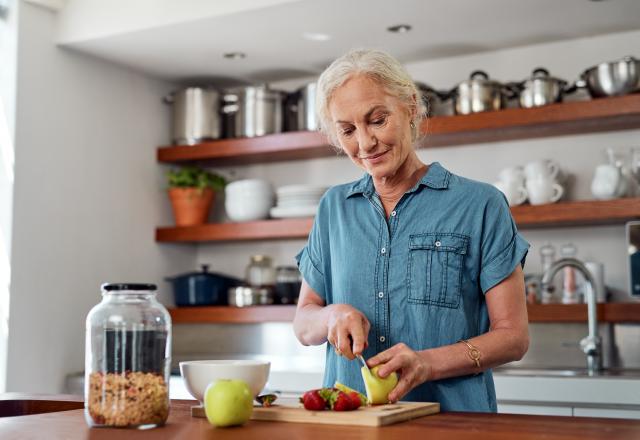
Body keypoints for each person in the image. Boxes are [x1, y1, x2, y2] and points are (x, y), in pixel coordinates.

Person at [293, 49, 530, 412]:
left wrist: (427, 363)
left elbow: (513, 338)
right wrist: (330, 315)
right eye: (348, 130)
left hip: (453, 425)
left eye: (377, 120)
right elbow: (304, 323)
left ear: (412, 107)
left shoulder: (481, 205)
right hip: (353, 424)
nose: (366, 143)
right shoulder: (333, 208)